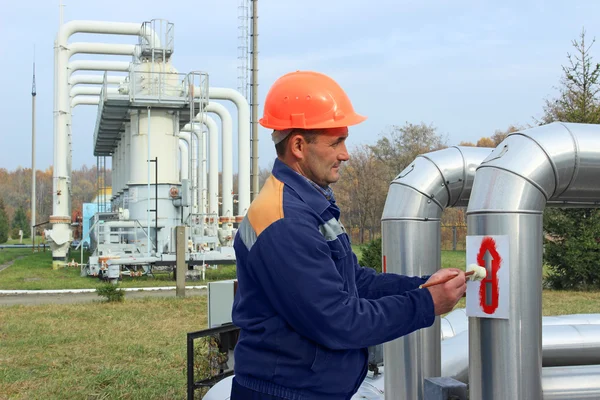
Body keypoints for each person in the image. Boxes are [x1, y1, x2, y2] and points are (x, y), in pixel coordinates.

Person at [230, 71, 466, 399]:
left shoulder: (306, 204)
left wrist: (422, 285)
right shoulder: (286, 221)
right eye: (336, 141)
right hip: (285, 392)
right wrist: (425, 304)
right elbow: (338, 321)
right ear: (298, 145)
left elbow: (356, 282)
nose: (346, 153)